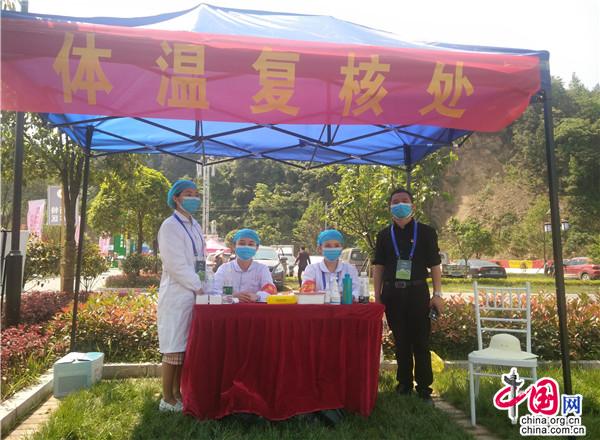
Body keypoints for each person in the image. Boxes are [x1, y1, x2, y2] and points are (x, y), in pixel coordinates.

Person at [372, 188, 444, 405]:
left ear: (413, 205)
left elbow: (435, 265)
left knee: (421, 342)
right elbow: (378, 267)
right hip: (392, 294)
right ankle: (404, 385)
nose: (400, 204)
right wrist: (377, 297)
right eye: (395, 201)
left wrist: (437, 294)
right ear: (389, 207)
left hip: (418, 292)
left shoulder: (426, 232)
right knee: (401, 341)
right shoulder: (384, 235)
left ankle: (424, 389)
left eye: (404, 200)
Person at [157, 179, 205, 412]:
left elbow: (200, 260)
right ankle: (167, 398)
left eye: (196, 194)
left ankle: (178, 393)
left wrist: (205, 284)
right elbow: (175, 264)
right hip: (177, 294)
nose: (193, 198)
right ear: (176, 198)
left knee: (184, 349)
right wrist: (198, 285)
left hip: (194, 292)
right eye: (188, 194)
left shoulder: (195, 226)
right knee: (173, 349)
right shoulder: (170, 226)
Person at [213, 228, 277, 301]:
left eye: (251, 244)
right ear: (234, 246)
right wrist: (231, 296)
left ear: (256, 248)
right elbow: (214, 291)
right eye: (242, 243)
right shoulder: (224, 269)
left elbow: (271, 290)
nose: (246, 246)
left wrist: (258, 297)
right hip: (230, 307)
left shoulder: (262, 269)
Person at [301, 229, 360, 297]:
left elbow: (357, 291)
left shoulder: (350, 269)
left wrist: (349, 296)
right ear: (319, 249)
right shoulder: (312, 269)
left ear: (341, 248)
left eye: (337, 245)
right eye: (328, 245)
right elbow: (306, 293)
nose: (332, 248)